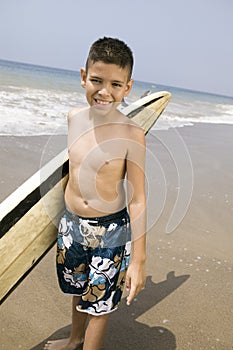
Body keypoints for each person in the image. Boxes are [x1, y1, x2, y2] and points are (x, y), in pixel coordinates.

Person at [45, 37, 147, 350]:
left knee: (99, 306)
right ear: (82, 77)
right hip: (71, 225)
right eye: (96, 80)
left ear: (128, 88)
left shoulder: (132, 134)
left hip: (110, 233)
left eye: (115, 84)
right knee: (78, 289)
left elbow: (138, 197)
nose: (104, 91)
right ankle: (75, 338)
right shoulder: (73, 118)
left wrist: (139, 258)